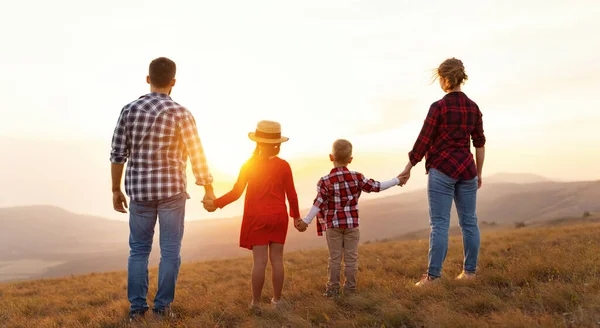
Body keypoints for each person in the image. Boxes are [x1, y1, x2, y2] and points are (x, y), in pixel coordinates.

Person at [110, 57, 216, 321]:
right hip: (171, 192)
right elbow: (197, 155)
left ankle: (136, 311)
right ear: (173, 83)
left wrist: (115, 189)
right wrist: (208, 189)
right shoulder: (181, 113)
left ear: (148, 79)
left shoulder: (129, 110)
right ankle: (162, 309)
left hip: (139, 192)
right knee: (170, 251)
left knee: (138, 251)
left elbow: (117, 154)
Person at [397, 57, 486, 286]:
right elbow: (479, 143)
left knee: (439, 224)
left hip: (442, 170)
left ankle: (433, 277)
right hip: (467, 169)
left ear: (445, 79)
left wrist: (408, 168)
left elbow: (423, 141)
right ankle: (470, 273)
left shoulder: (439, 107)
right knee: (469, 222)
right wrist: (479, 173)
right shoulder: (473, 107)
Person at [202, 120, 300, 314]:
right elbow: (292, 194)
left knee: (260, 262)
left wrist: (216, 203)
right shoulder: (284, 166)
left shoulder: (249, 164)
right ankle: (277, 301)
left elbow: (236, 192)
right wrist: (296, 218)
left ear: (257, 142)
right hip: (279, 216)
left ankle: (255, 303)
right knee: (277, 260)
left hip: (257, 218)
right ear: (278, 144)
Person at [296, 139, 400, 297]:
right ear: (350, 159)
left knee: (335, 259)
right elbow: (376, 187)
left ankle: (332, 290)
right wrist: (397, 181)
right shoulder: (357, 177)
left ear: (331, 157)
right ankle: (350, 289)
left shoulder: (324, 181)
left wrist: (306, 221)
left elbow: (318, 203)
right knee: (351, 259)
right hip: (352, 225)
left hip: (333, 226)